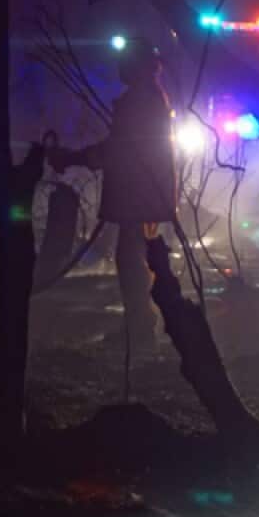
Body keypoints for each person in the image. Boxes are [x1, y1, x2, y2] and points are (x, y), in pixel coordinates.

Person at [48, 39, 177, 351]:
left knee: (130, 260)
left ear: (137, 65)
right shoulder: (149, 98)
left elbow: (117, 150)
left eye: (126, 62)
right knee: (133, 258)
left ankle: (140, 329)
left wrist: (72, 158)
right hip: (145, 191)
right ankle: (138, 325)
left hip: (139, 192)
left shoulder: (140, 102)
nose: (120, 68)